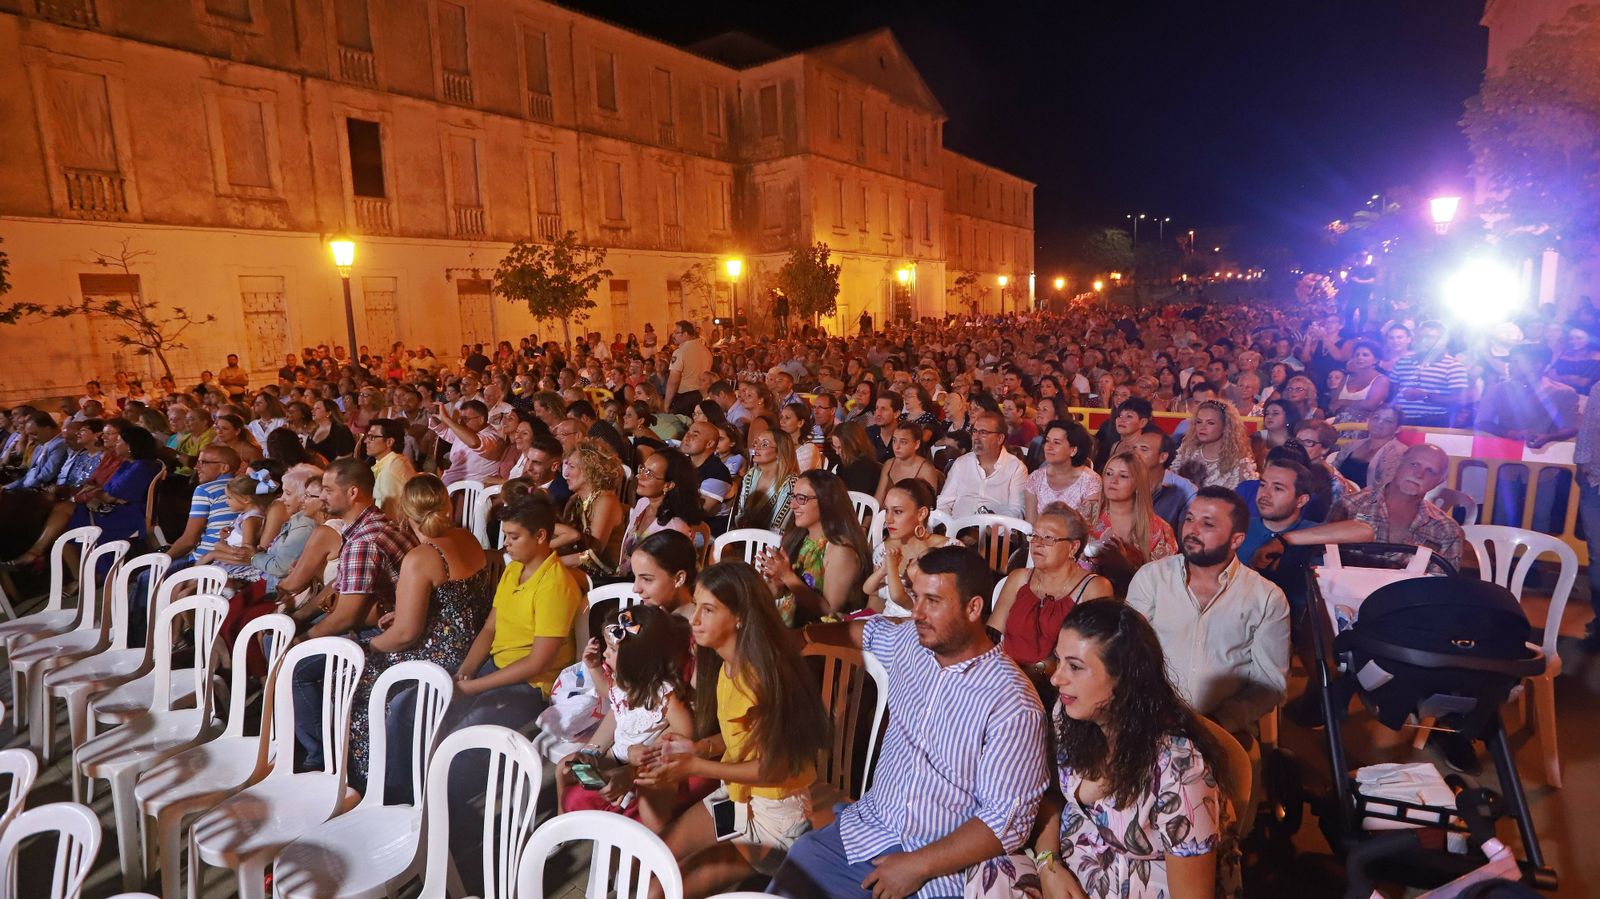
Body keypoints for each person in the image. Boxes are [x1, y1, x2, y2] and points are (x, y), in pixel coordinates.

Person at [769, 546, 1049, 899]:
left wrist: (916, 865)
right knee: (798, 866)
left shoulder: (1012, 703)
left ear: (974, 608)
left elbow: (1005, 822)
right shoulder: (912, 644)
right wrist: (804, 637)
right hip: (868, 830)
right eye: (917, 597)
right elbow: (865, 633)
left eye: (932, 601)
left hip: (938, 869)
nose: (916, 612)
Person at [637, 562, 831, 897]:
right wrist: (696, 749)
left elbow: (775, 768)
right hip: (738, 797)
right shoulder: (727, 664)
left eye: (708, 610)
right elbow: (739, 739)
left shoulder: (765, 678)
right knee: (652, 860)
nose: (694, 620)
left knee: (661, 890)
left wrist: (696, 766)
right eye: (696, 605)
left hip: (774, 818)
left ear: (740, 616)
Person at [1032, 599, 1242, 899]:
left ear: (1123, 679)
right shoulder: (1069, 716)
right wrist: (1048, 864)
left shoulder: (1180, 772)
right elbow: (1052, 797)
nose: (1056, 677)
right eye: (1059, 660)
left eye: (1075, 667)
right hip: (1068, 872)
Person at [348, 474, 492, 799]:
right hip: (473, 643)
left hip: (439, 655)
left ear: (404, 512)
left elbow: (405, 635)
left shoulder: (421, 557)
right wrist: (405, 612)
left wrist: (363, 647)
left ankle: (377, 786)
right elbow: (458, 602)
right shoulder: (466, 538)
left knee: (358, 680)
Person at [1126, 487, 1291, 740]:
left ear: (1236, 540)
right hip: (1150, 720)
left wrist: (1217, 722)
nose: (1192, 530)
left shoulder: (1266, 597)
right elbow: (1127, 653)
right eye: (1190, 519)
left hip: (1223, 730)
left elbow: (1269, 684)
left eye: (1208, 524)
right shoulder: (1152, 578)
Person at [557, 604, 695, 831]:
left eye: (611, 649)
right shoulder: (622, 682)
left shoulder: (663, 694)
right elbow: (607, 694)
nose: (604, 654)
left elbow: (687, 731)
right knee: (563, 768)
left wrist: (655, 749)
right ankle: (561, 823)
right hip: (615, 753)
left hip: (638, 765)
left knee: (619, 800)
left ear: (635, 659)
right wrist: (593, 668)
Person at [1282, 443, 1465, 568]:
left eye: (1430, 471)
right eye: (1414, 464)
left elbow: (1441, 589)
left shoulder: (1446, 530)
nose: (1419, 474)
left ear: (1439, 481)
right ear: (1399, 464)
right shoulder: (1351, 506)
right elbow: (1323, 559)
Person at [990, 504, 1112, 685]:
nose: (1038, 543)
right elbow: (991, 634)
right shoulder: (1019, 578)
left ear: (1073, 547)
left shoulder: (1094, 587)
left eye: (1049, 538)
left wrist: (1035, 674)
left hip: (1059, 685)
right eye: (1035, 535)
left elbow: (1095, 654)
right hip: (1006, 679)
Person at [1474, 342, 1579, 529]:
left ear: (1537, 365)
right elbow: (1482, 420)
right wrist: (1510, 433)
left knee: (1539, 518)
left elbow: (1571, 427)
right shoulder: (1498, 389)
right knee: (1502, 517)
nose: (1510, 366)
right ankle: (1499, 557)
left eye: (1515, 361)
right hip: (1505, 464)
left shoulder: (1563, 392)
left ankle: (1533, 557)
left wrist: (1548, 437)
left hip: (1545, 465)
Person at [758, 469, 870, 626]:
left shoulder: (840, 549)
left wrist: (788, 577)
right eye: (793, 497)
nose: (793, 505)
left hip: (816, 636)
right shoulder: (799, 538)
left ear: (826, 501)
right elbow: (778, 595)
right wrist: (776, 583)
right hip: (785, 626)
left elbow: (830, 614)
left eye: (801, 498)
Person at [864, 478, 951, 618]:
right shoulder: (883, 551)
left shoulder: (947, 550)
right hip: (887, 626)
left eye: (897, 512)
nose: (888, 519)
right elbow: (875, 604)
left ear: (921, 513)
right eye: (887, 510)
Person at [1087, 449, 1178, 582]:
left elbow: (1164, 582)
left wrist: (1126, 565)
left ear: (1137, 483)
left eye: (1123, 476)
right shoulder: (1086, 516)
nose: (1113, 480)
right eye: (1108, 473)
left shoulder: (1159, 529)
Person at [618, 449, 702, 578]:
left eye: (649, 474)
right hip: (623, 581)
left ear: (668, 485)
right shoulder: (643, 504)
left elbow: (669, 575)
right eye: (642, 468)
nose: (640, 476)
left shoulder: (675, 526)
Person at [552, 439, 626, 579]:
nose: (566, 474)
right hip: (578, 573)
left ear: (589, 469)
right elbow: (568, 544)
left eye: (572, 467)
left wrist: (552, 564)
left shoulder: (606, 501)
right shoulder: (574, 500)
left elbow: (593, 555)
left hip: (604, 578)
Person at [938, 410, 1027, 518]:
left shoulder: (1016, 468)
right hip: (957, 530)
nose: (976, 437)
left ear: (999, 439)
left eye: (983, 432)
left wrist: (992, 527)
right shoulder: (961, 463)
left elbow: (1017, 510)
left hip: (995, 532)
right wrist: (949, 526)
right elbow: (944, 503)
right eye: (975, 431)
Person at [1238, 457, 1318, 568]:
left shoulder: (1317, 538)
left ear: (1301, 500)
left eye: (1278, 488)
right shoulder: (1238, 529)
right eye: (1262, 485)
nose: (1265, 494)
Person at [1389, 320, 1468, 428]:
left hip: (1434, 423)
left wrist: (1426, 396)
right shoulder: (1402, 362)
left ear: (1442, 341)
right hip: (1401, 422)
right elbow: (1393, 393)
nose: (1424, 341)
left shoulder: (1453, 366)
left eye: (1430, 337)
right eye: (1421, 337)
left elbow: (1459, 400)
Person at [1025, 419, 1100, 522]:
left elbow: (1090, 525)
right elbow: (1031, 524)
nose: (1049, 447)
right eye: (1047, 440)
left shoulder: (1091, 481)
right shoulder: (1035, 478)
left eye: (1056, 442)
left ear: (1073, 450)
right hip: (1041, 536)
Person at [1174, 399, 1257, 490]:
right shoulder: (1187, 451)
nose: (1202, 427)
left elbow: (1249, 495)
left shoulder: (1239, 462)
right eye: (1199, 422)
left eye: (1210, 423)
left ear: (1225, 426)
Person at [1125, 429, 1196, 535]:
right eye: (1134, 448)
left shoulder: (1185, 490)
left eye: (1143, 449)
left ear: (1162, 457)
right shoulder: (1122, 480)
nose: (1135, 454)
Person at [731, 428, 799, 532]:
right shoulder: (751, 474)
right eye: (756, 442)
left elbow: (778, 527)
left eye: (764, 444)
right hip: (746, 536)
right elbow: (740, 514)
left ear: (779, 452)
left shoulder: (790, 482)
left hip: (772, 542)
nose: (757, 448)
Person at [1331, 404, 1405, 489]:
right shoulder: (1352, 445)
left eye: (1388, 421)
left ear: (1397, 429)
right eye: (1376, 417)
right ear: (1368, 420)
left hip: (1366, 500)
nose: (1379, 423)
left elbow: (1385, 489)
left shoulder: (1397, 453)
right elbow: (1333, 470)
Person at [432, 399, 504, 485]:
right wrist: (433, 415)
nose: (462, 423)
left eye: (465, 419)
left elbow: (475, 443)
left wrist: (447, 419)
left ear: (481, 419)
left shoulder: (493, 437)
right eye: (460, 419)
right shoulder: (466, 431)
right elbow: (445, 431)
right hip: (449, 484)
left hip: (468, 491)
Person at [873, 421, 941, 506]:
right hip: (886, 515)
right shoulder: (889, 464)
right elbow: (878, 499)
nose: (896, 447)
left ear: (916, 444)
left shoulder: (926, 469)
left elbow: (928, 506)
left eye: (903, 442)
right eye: (894, 440)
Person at [364, 418, 417, 520]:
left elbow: (391, 516)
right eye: (367, 436)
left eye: (371, 437)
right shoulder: (392, 461)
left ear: (389, 442)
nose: (366, 441)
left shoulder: (391, 470)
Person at [1329, 338, 1390, 424]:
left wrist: (1343, 402)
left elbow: (1370, 405)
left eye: (1365, 355)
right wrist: (1358, 404)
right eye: (1357, 355)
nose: (1360, 358)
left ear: (1375, 360)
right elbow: (1333, 405)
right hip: (1339, 426)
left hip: (1365, 428)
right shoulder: (1346, 378)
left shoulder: (1381, 379)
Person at [1, 413, 66, 492]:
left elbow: (47, 474)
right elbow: (28, 475)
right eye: (29, 435)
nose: (31, 438)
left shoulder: (60, 444)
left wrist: (21, 489)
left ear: (47, 429)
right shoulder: (39, 446)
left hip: (41, 491)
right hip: (27, 487)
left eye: (34, 434)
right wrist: (9, 487)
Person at [664, 320, 712, 416]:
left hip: (685, 398)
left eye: (677, 332)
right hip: (702, 394)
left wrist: (666, 405)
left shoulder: (679, 352)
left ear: (686, 334)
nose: (673, 335)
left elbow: (673, 381)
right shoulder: (706, 350)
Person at [828, 421, 882, 498]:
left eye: (840, 448)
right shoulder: (843, 464)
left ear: (853, 445)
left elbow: (857, 499)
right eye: (835, 447)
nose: (837, 452)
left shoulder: (865, 467)